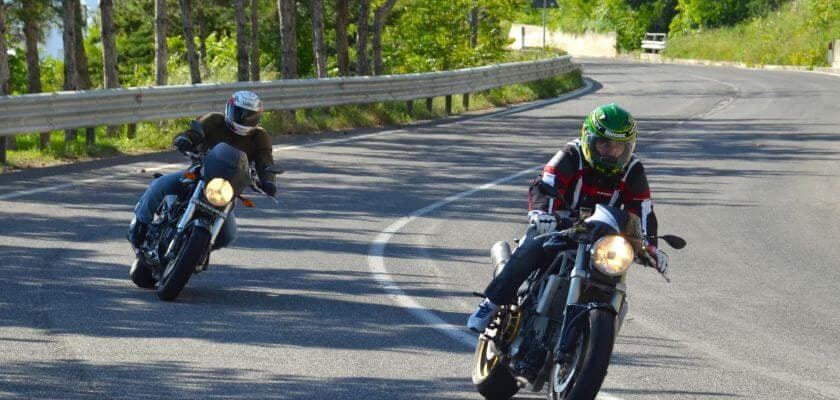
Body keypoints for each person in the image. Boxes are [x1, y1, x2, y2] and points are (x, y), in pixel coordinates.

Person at [466, 103, 669, 334]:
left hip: (602, 235)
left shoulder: (633, 169)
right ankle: (490, 304)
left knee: (616, 271)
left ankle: (597, 330)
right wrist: (542, 214)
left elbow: (643, 208)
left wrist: (650, 246)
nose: (612, 152)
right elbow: (547, 182)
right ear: (588, 139)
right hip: (560, 224)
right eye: (604, 144)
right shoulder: (571, 154)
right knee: (533, 245)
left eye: (620, 147)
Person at [127, 90, 277, 251]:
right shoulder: (215, 119)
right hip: (200, 172)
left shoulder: (260, 136)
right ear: (229, 108)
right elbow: (195, 131)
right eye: (240, 113)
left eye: (250, 116)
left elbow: (265, 160)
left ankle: (196, 252)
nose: (244, 118)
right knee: (161, 184)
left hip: (228, 187)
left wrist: (268, 180)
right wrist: (185, 139)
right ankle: (140, 224)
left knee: (228, 235)